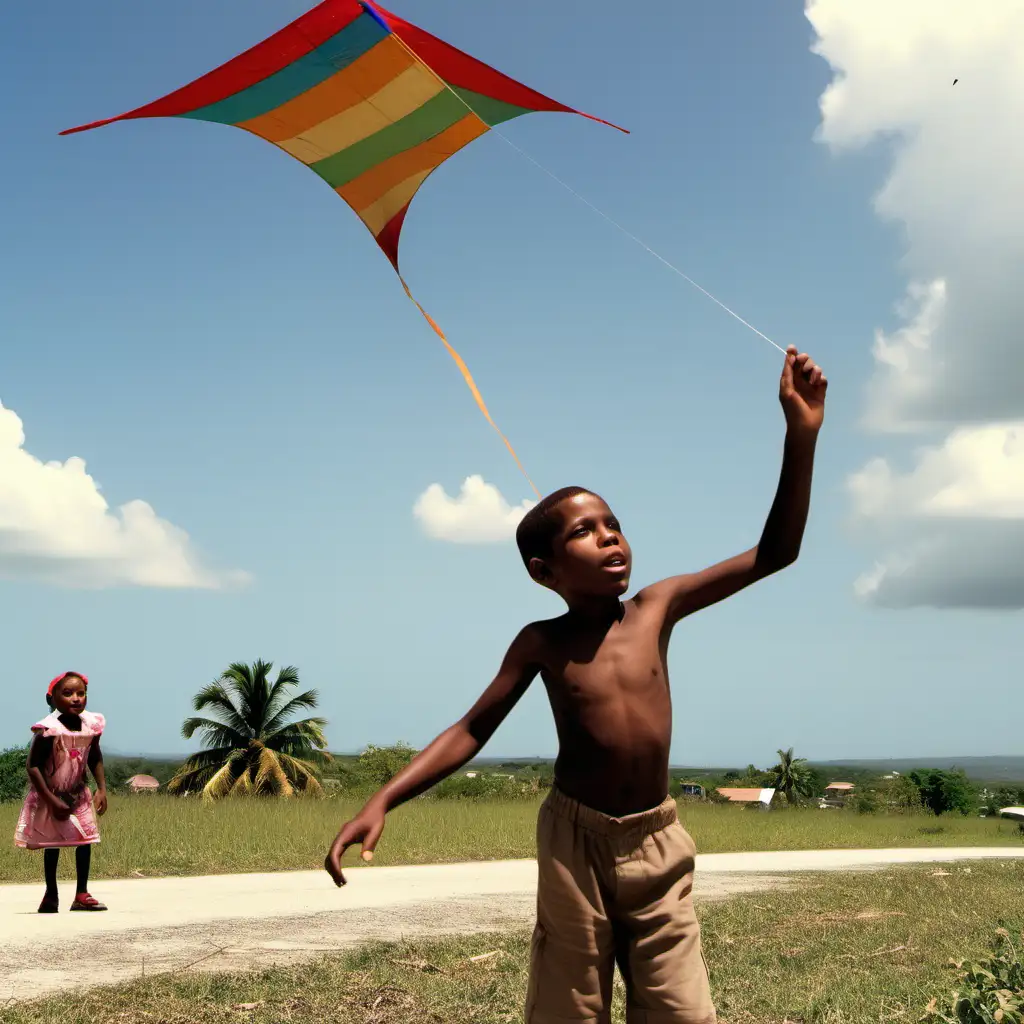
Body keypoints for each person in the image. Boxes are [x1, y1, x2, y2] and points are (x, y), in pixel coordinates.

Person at [326, 345, 828, 1023]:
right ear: (544, 571)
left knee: (682, 1010)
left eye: (614, 524)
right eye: (586, 533)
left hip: (656, 841)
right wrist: (383, 798)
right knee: (569, 1006)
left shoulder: (658, 606)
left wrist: (801, 437)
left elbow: (777, 552)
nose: (611, 538)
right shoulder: (543, 642)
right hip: (573, 843)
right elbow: (473, 729)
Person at [15, 671, 109, 913]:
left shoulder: (91, 725)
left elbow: (95, 755)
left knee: (85, 840)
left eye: (81, 693)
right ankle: (51, 894)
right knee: (52, 842)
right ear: (52, 699)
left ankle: (82, 893)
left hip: (78, 792)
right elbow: (33, 765)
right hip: (51, 793)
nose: (76, 698)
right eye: (67, 694)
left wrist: (101, 788)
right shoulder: (49, 729)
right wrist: (51, 799)